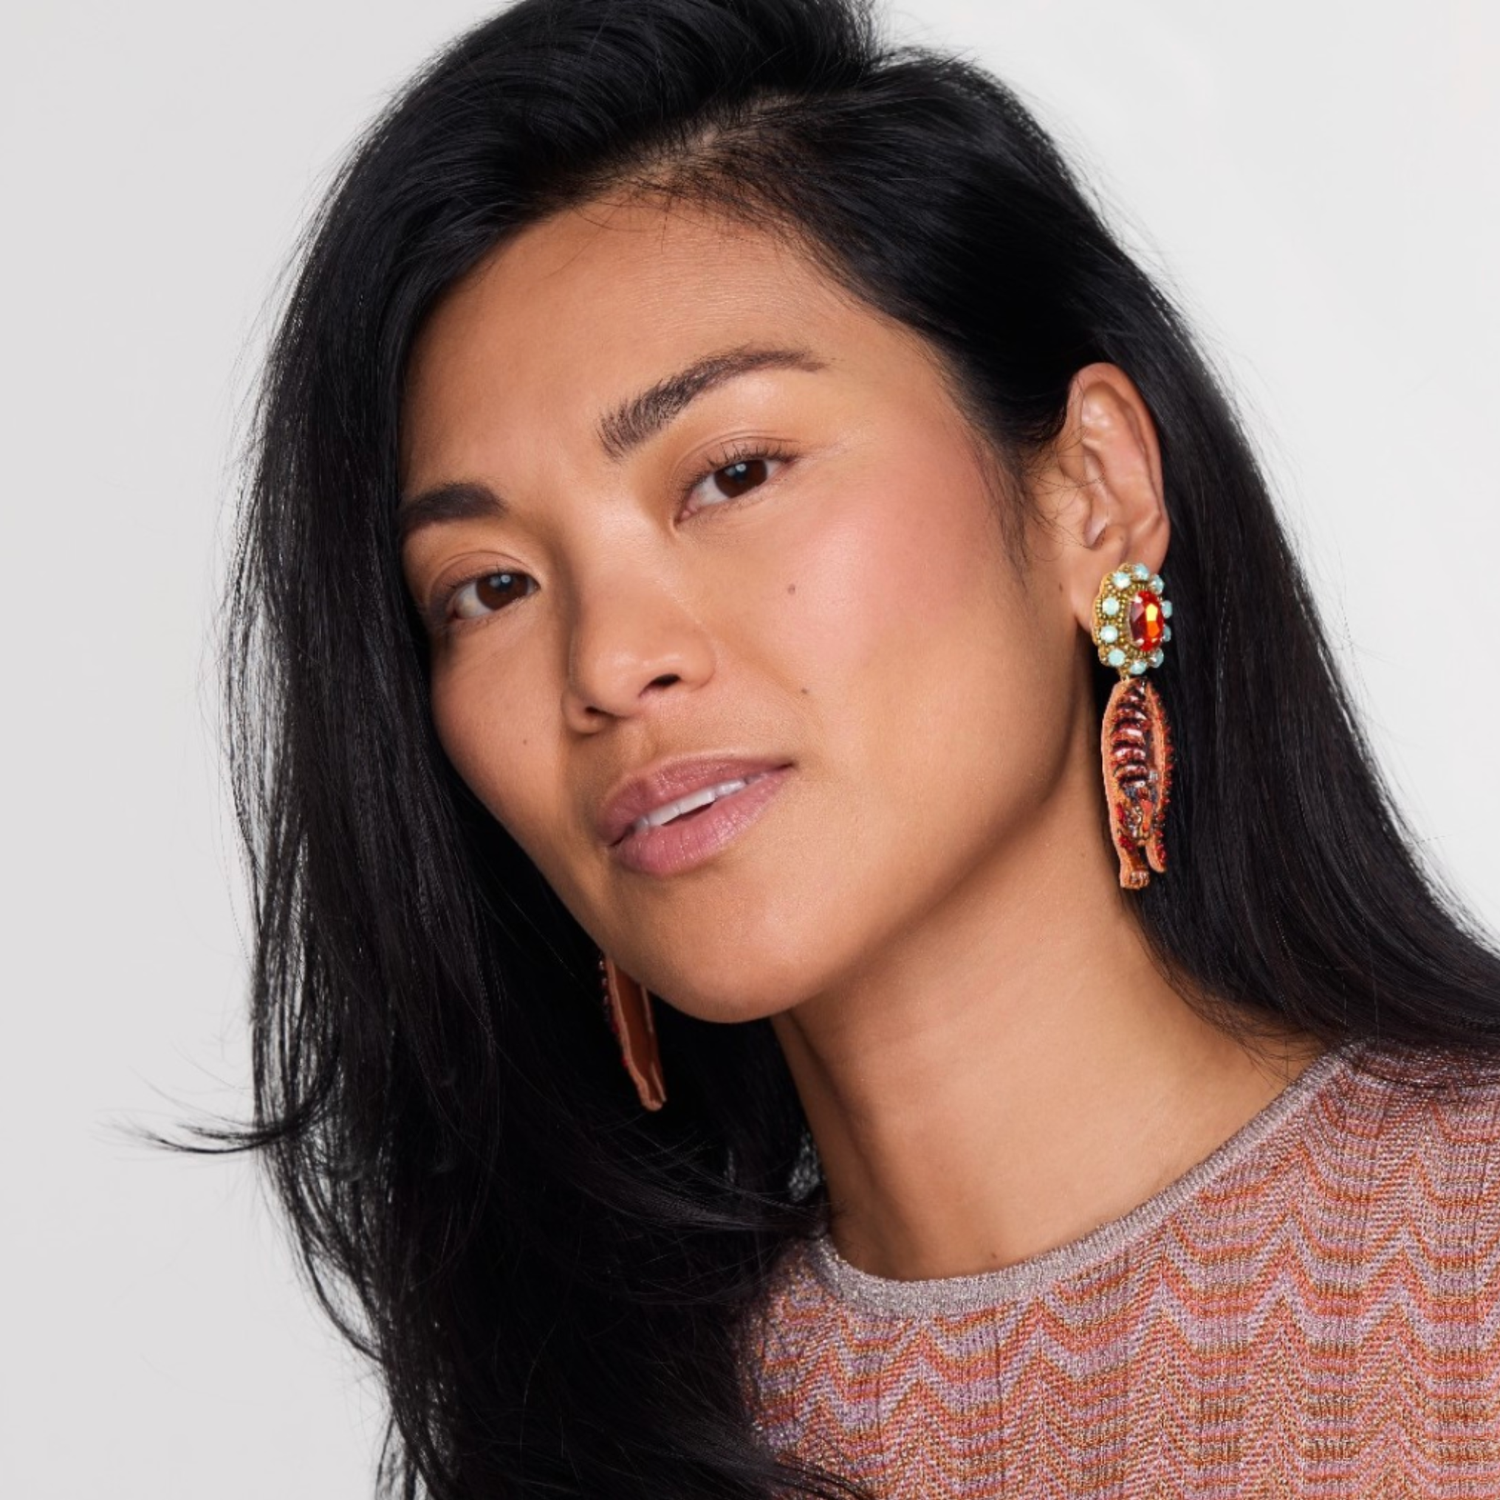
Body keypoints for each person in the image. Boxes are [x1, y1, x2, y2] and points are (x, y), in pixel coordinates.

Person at [218, 0, 1500, 1493]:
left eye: (733, 473)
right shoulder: (585, 1437)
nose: (611, 663)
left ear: (1094, 490)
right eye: (490, 588)